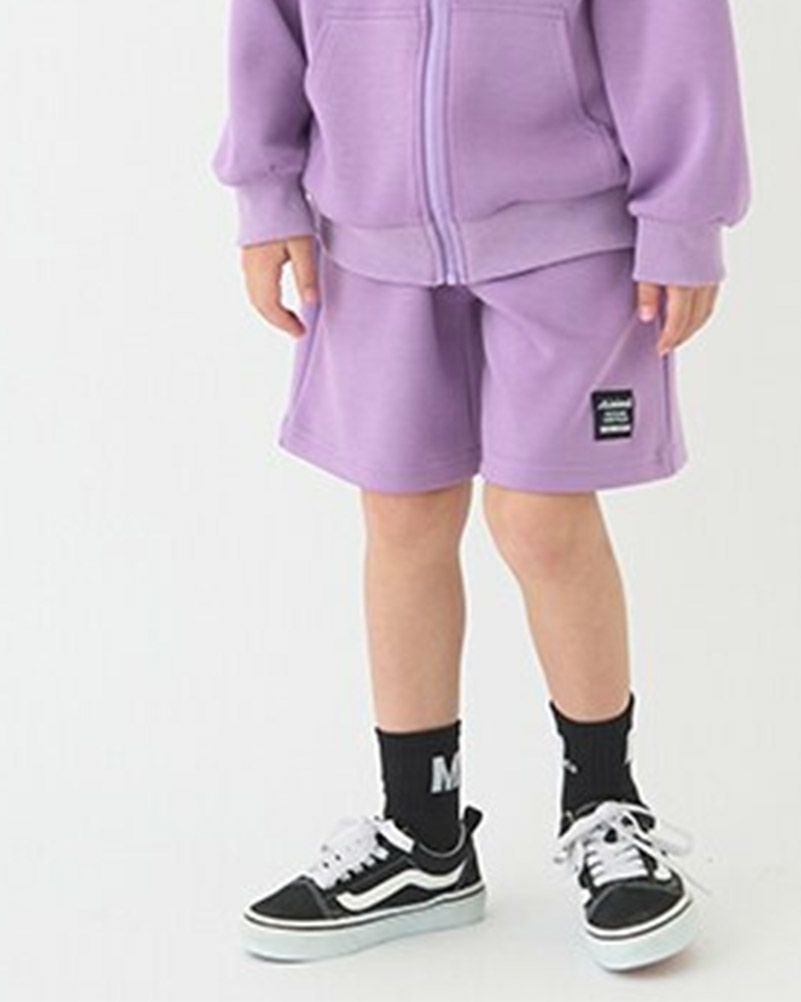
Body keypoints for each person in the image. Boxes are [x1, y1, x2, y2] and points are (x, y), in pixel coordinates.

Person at [213, 0, 749, 972]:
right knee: (401, 512)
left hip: (570, 232)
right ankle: (424, 837)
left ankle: (604, 804)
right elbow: (270, 17)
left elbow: (666, 21)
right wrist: (267, 190)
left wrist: (683, 214)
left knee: (540, 518)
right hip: (367, 236)